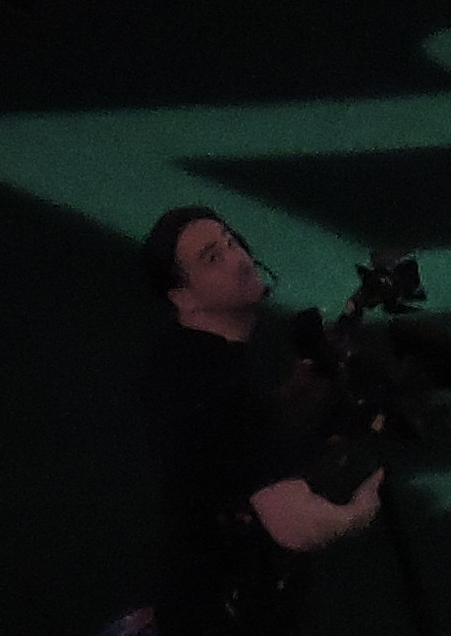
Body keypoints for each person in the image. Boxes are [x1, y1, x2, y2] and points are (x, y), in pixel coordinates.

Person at [146, 207, 383, 633]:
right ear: (182, 298)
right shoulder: (222, 388)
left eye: (233, 242)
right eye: (212, 258)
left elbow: (226, 453)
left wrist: (289, 400)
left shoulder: (186, 361)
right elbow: (298, 527)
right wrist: (358, 513)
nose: (239, 259)